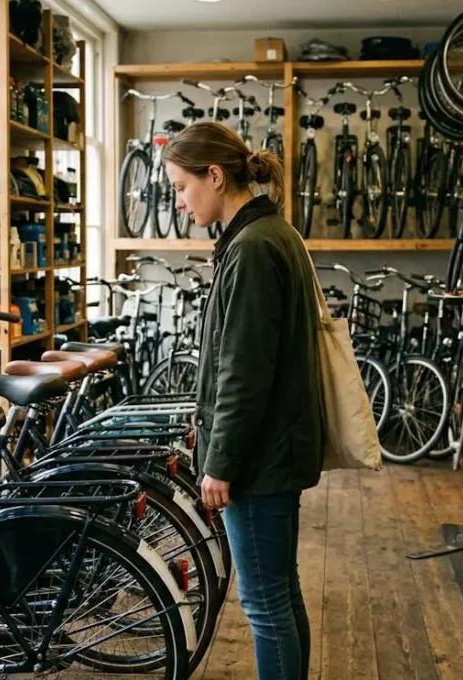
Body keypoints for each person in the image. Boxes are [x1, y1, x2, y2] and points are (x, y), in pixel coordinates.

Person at [163, 121, 324, 680]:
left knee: (264, 604)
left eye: (183, 187)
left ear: (215, 175)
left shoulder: (253, 247)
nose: (180, 201)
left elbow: (244, 371)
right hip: (276, 447)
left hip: (260, 457)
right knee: (281, 592)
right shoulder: (266, 235)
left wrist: (221, 461)